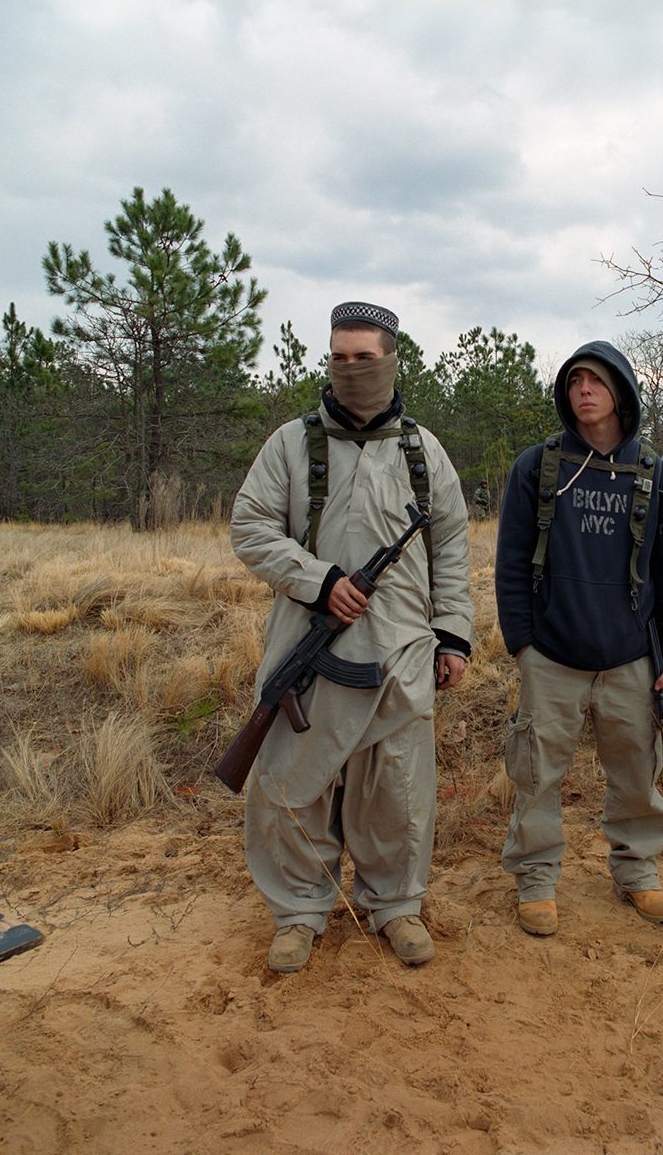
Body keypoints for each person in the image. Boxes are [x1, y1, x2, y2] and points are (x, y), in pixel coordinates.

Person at [231, 301, 473, 972]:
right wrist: (318, 579)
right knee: (292, 784)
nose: (350, 369)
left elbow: (451, 544)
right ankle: (300, 914)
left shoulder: (424, 452)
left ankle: (395, 906)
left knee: (395, 788)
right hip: (308, 647)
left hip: (401, 651)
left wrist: (453, 634)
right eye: (339, 356)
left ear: (392, 359)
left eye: (364, 358)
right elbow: (250, 529)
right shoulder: (289, 445)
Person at [495, 341, 663, 936]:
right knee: (536, 774)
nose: (582, 389)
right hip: (552, 658)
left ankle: (637, 872)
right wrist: (524, 647)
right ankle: (536, 879)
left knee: (638, 773)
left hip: (630, 658)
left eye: (596, 380)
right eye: (574, 380)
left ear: (623, 392)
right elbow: (511, 562)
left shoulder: (654, 475)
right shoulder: (539, 467)